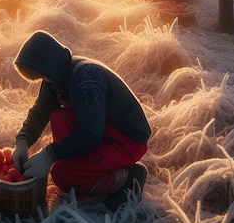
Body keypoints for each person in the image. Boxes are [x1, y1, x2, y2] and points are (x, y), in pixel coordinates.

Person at [12, 30, 151, 209]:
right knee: (58, 117)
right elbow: (41, 111)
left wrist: (50, 155)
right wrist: (23, 140)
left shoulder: (86, 80)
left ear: (49, 67)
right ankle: (86, 162)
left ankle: (128, 178)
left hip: (127, 139)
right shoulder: (56, 76)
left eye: (42, 76)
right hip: (102, 128)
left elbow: (91, 133)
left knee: (63, 175)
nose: (43, 81)